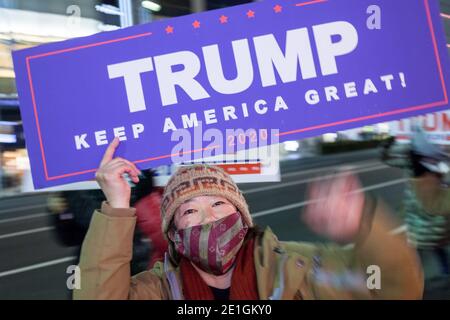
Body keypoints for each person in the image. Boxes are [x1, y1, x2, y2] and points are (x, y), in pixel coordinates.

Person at [74, 137, 423, 300]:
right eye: (190, 211)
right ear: (175, 234)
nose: (209, 219)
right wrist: (118, 207)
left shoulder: (298, 268)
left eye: (220, 205)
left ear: (243, 217)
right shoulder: (156, 290)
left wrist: (364, 226)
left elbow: (396, 290)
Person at [381, 127, 450, 299]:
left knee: (417, 257)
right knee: (435, 252)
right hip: (433, 228)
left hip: (420, 227)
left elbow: (388, 158)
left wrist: (389, 145)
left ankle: (412, 286)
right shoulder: (435, 168)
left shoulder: (419, 169)